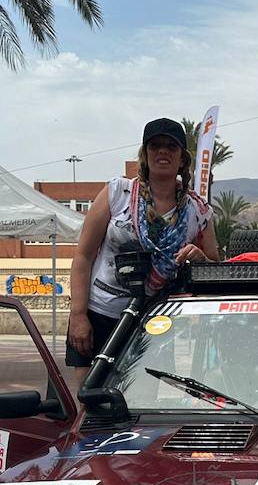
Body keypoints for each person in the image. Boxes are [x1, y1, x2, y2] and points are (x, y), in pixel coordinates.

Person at [66, 118, 219, 378]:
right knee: (88, 400)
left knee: (142, 400)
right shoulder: (117, 193)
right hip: (100, 313)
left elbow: (215, 265)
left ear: (182, 158)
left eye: (171, 147)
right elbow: (82, 257)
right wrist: (79, 315)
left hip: (154, 319)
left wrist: (200, 257)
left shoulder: (198, 211)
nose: (162, 152)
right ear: (145, 155)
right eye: (155, 146)